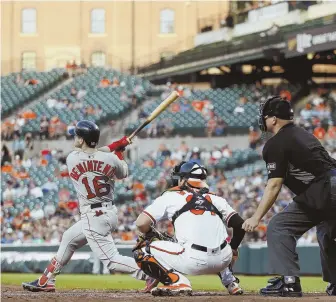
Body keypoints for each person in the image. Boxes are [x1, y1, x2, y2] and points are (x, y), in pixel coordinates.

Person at [22, 120, 149, 292]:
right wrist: (119, 151)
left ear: (82, 140)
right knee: (68, 238)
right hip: (108, 212)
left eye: (77, 136)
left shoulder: (72, 158)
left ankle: (151, 273)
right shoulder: (110, 159)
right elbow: (121, 170)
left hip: (92, 216)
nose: (75, 138)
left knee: (111, 260)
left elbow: (95, 153)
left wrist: (115, 146)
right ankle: (47, 279)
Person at [242, 96, 336, 297]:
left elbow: (274, 184)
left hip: (325, 190)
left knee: (279, 226)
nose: (262, 119)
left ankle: (289, 282)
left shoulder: (276, 143)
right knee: (327, 233)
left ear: (274, 119)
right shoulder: (304, 134)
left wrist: (256, 217)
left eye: (265, 116)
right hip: (330, 186)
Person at [133, 161, 245, 296]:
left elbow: (140, 223)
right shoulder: (216, 198)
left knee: (141, 250)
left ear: (183, 180)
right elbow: (240, 226)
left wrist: (150, 233)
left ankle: (178, 282)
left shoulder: (170, 196)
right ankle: (231, 283)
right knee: (224, 244)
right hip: (223, 260)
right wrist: (232, 249)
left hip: (193, 261)